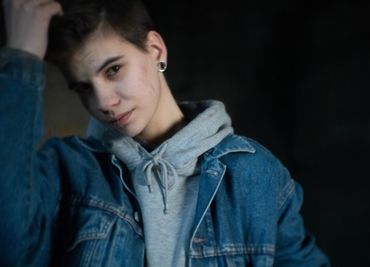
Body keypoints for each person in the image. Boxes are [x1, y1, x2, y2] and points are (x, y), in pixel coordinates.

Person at [0, 0, 330, 266]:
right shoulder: (68, 171)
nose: (103, 102)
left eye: (113, 69)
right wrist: (21, 57)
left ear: (156, 50)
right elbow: (11, 250)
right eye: (84, 87)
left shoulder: (256, 175)